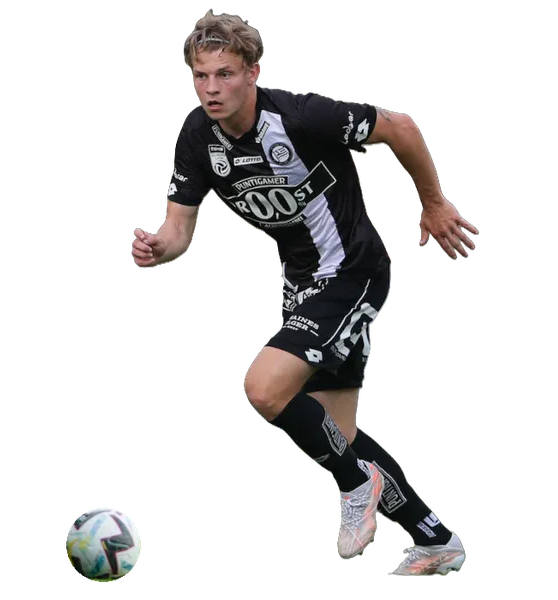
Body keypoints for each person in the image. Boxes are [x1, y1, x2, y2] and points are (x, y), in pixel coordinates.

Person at [133, 10, 478, 571]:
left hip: (353, 272)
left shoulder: (301, 115)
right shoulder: (198, 136)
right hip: (303, 282)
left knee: (264, 388)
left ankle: (356, 487)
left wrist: (433, 203)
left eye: (225, 74)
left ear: (254, 72)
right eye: (201, 76)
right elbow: (177, 231)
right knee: (339, 433)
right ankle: (437, 541)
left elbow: (401, 129)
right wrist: (157, 248)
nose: (212, 89)